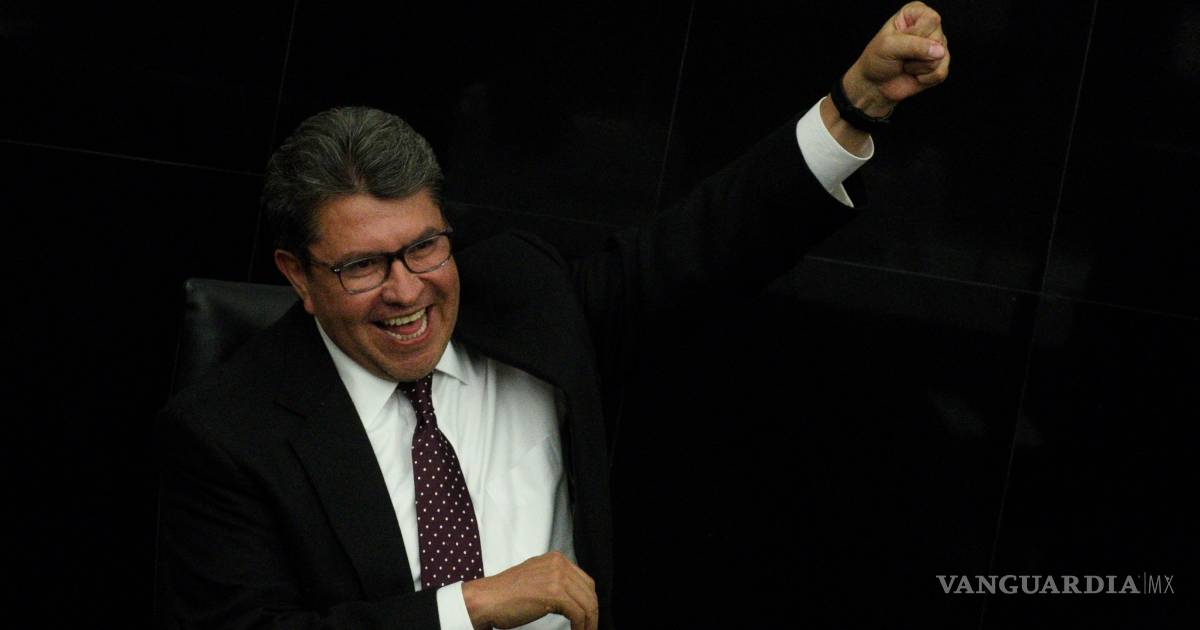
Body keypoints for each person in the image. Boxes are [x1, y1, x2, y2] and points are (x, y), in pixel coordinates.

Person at [155, 3, 949, 629]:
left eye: (424, 247)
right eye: (363, 266)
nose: (405, 291)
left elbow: (705, 243)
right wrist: (468, 607)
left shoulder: (528, 302)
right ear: (297, 274)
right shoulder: (228, 433)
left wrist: (854, 106)